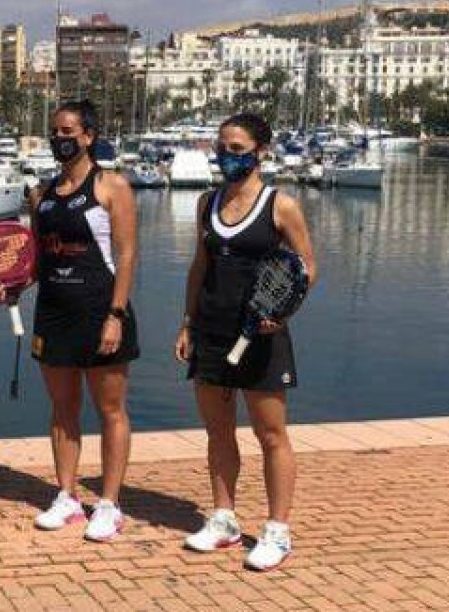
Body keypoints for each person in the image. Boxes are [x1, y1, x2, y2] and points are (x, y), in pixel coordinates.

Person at [0, 99, 139, 540]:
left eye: (69, 132)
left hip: (101, 312)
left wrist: (115, 314)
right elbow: (38, 261)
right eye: (55, 131)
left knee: (110, 410)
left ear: (89, 136)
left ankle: (109, 504)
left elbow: (127, 255)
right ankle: (68, 497)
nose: (60, 139)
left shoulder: (112, 187)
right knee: (62, 409)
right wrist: (11, 289)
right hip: (53, 313)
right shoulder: (45, 196)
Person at [174, 113, 316, 572]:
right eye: (221, 148)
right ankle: (224, 519)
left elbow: (307, 268)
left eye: (236, 149)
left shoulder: (281, 206)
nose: (226, 157)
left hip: (262, 335)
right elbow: (200, 267)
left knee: (271, 434)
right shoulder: (205, 203)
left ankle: (277, 529)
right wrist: (187, 323)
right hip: (212, 330)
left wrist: (282, 312)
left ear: (261, 152)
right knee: (218, 431)